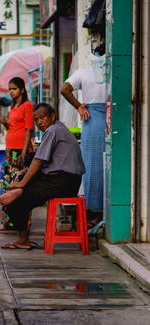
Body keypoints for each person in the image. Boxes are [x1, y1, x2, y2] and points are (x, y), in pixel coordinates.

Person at [0, 104, 85, 249]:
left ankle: (23, 240)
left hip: (62, 182)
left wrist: (22, 183)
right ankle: (19, 192)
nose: (39, 123)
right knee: (28, 169)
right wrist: (25, 173)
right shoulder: (59, 129)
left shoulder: (53, 130)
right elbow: (43, 161)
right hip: (66, 181)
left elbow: (39, 160)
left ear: (52, 116)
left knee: (15, 203)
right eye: (36, 120)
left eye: (42, 118)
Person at [60, 45, 106, 227]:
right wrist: (79, 106)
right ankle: (99, 209)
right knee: (101, 165)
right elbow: (64, 89)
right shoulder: (113, 70)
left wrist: (79, 106)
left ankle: (93, 210)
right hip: (106, 117)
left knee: (93, 165)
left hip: (92, 117)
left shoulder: (84, 71)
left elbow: (64, 89)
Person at [0, 77, 34, 231]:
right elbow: (13, 129)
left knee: (20, 187)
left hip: (21, 151)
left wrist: (24, 153)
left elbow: (28, 131)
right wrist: (5, 123)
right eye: (10, 89)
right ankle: (7, 222)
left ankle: (23, 223)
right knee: (7, 186)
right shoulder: (13, 107)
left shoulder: (27, 106)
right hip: (10, 150)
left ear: (22, 90)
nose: (11, 92)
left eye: (14, 89)